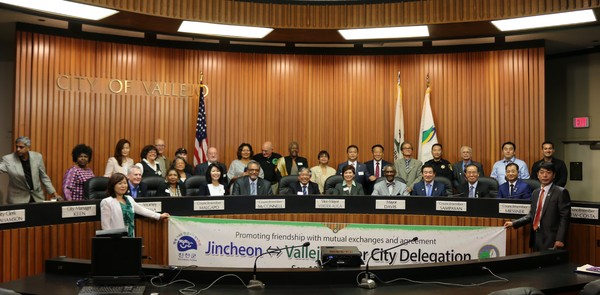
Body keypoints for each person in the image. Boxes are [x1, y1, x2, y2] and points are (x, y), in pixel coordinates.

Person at [504, 162, 571, 251]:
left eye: (548, 172)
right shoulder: (535, 192)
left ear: (554, 175)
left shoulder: (560, 192)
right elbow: (533, 214)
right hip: (536, 237)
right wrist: (514, 223)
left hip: (552, 239)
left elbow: (565, 217)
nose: (545, 175)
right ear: (537, 175)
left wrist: (560, 239)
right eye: (542, 172)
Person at [100, 173, 170, 237]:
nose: (123, 186)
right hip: (115, 239)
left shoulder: (129, 199)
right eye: (120, 183)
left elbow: (142, 210)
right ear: (113, 186)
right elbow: (106, 226)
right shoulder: (106, 202)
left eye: (125, 183)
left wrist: (159, 216)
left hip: (131, 236)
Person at [0, 136, 60, 203]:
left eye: (21, 147)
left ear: (28, 147)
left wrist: (53, 193)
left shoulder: (37, 157)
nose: (18, 149)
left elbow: (44, 177)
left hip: (37, 197)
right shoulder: (8, 159)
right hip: (17, 199)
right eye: (17, 146)